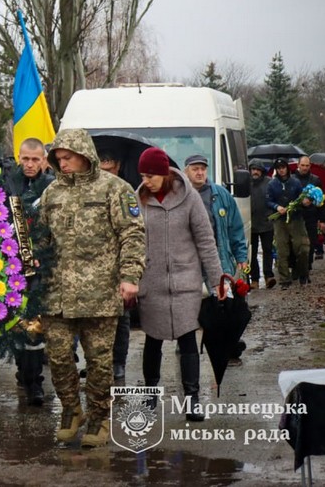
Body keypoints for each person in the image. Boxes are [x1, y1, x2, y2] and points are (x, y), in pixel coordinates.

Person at [37, 129, 145, 448]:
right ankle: (71, 410)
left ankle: (99, 417)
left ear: (85, 154)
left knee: (99, 363)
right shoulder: (51, 193)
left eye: (68, 157)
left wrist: (130, 277)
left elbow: (132, 235)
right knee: (57, 358)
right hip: (57, 294)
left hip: (99, 294)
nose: (63, 163)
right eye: (58, 159)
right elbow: (41, 239)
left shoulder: (116, 190)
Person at [136, 147, 226, 422]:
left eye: (150, 175)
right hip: (151, 282)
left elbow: (206, 242)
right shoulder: (138, 199)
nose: (146, 181)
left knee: (188, 339)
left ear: (164, 173)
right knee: (152, 339)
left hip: (185, 281)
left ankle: (192, 399)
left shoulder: (190, 198)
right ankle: (150, 395)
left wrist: (217, 282)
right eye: (143, 175)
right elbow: (130, 240)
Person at [9, 137, 55, 404]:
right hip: (11, 267)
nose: (29, 164)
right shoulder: (9, 184)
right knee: (16, 325)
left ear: (44, 161)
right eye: (25, 158)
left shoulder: (50, 187)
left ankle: (35, 382)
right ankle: (23, 373)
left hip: (40, 267)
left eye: (35, 159)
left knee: (35, 327)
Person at [96, 147, 133, 385]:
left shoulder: (126, 192)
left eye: (108, 167)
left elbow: (133, 231)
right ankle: (98, 363)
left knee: (121, 316)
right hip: (95, 264)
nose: (105, 171)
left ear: (117, 166)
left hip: (120, 262)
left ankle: (118, 361)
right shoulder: (92, 189)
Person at [184, 154, 248, 280]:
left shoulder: (221, 194)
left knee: (222, 297)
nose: (200, 173)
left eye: (203, 169)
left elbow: (235, 228)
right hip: (189, 264)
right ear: (185, 172)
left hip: (219, 261)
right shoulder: (180, 196)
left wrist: (241, 257)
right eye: (195, 169)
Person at [266, 158, 312, 287]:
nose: (281, 170)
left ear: (287, 168)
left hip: (295, 218)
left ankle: (303, 274)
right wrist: (276, 207)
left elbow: (301, 198)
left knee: (302, 247)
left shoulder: (295, 182)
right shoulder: (272, 184)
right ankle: (284, 278)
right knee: (282, 250)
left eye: (283, 167)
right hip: (280, 220)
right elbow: (268, 201)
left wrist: (304, 203)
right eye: (279, 168)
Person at [247, 161, 276, 289]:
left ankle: (268, 275)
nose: (255, 172)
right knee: (252, 253)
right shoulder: (246, 183)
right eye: (253, 169)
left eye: (257, 169)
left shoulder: (270, 182)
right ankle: (254, 279)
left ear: (262, 171)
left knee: (268, 250)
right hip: (251, 223)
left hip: (267, 222)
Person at [294, 156, 324, 268]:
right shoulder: (292, 179)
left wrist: (322, 219)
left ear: (310, 166)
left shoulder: (315, 180)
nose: (305, 168)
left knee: (311, 241)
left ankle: (308, 265)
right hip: (296, 215)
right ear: (298, 165)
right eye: (303, 165)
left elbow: (321, 200)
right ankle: (297, 265)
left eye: (307, 165)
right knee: (296, 243)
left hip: (311, 215)